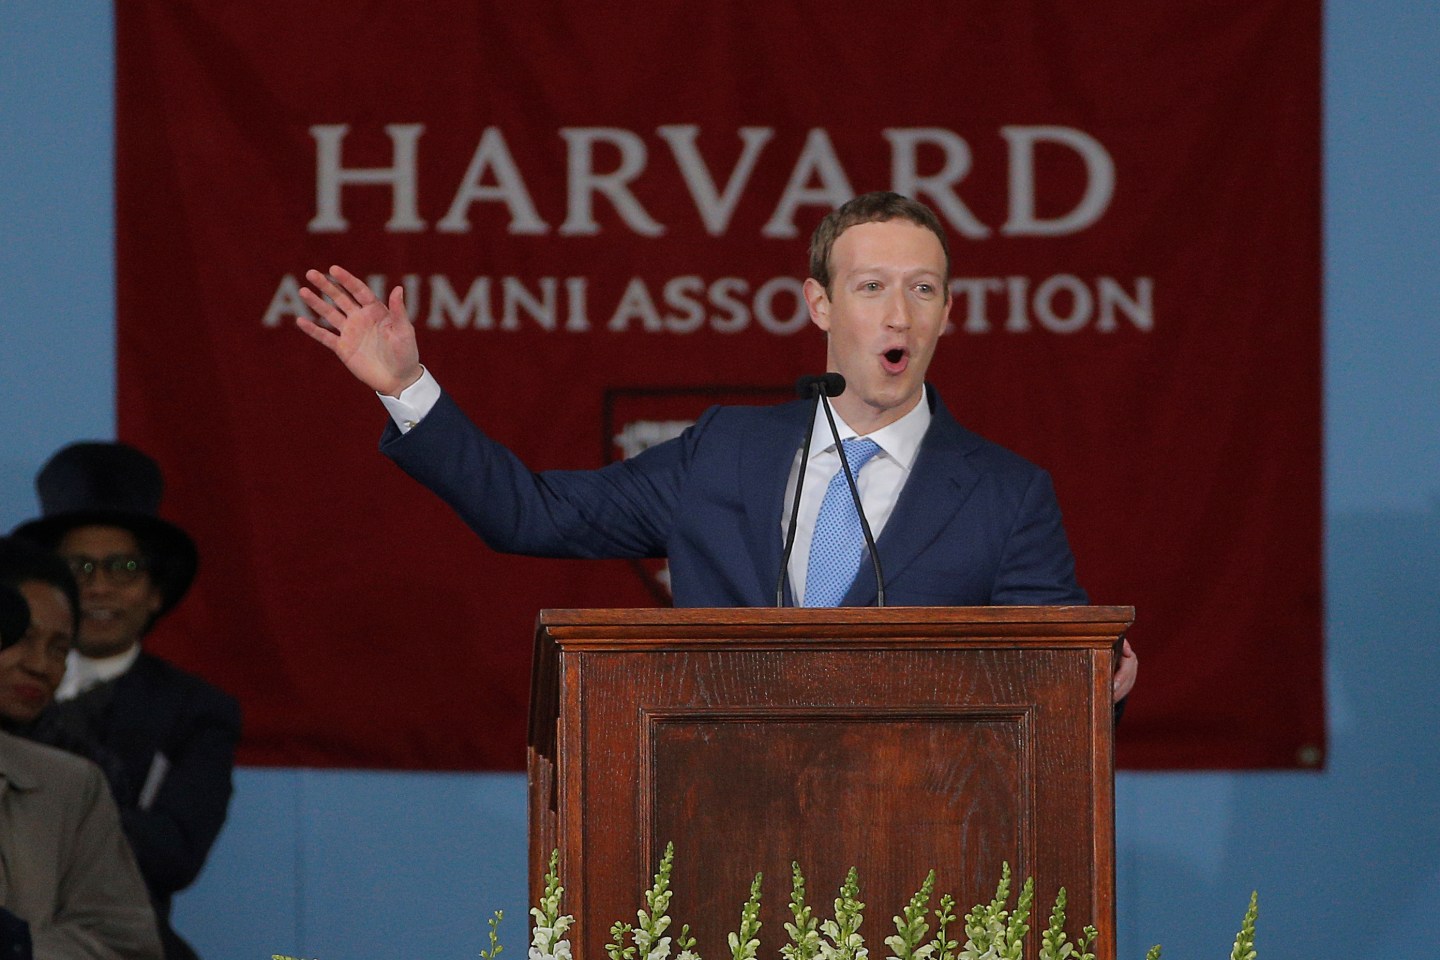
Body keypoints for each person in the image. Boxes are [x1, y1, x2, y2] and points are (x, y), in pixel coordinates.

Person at [296, 191, 1137, 702]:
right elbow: (531, 513)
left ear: (949, 313)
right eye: (871, 287)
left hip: (919, 850)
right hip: (724, 832)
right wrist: (405, 386)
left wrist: (1102, 693)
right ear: (819, 305)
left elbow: (1061, 685)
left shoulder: (1006, 493)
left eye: (923, 290)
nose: (899, 314)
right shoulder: (726, 452)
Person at [11, 445, 241, 960]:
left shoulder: (197, 710)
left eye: (125, 567)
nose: (99, 587)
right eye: (79, 568)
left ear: (155, 591)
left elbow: (173, 855)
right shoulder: (6, 683)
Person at [0, 540, 163, 960]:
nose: (39, 665)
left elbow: (125, 945)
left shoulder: (75, 784)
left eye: (59, 648)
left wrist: (19, 946)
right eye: (21, 637)